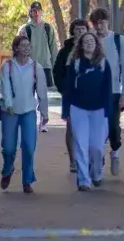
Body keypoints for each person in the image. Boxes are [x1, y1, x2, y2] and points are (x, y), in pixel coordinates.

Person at [0, 34, 49, 193]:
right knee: (8, 147)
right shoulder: (7, 66)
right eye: (23, 45)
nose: (26, 48)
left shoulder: (36, 67)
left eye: (28, 45)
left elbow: (42, 91)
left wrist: (44, 111)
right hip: (10, 111)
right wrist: (8, 104)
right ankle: (7, 169)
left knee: (28, 146)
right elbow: (5, 86)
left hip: (28, 111)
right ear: (16, 48)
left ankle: (27, 179)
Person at [63, 30, 112, 191]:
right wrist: (66, 111)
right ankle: (84, 180)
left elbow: (108, 89)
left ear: (97, 44)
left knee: (97, 147)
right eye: (85, 42)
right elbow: (68, 89)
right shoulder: (76, 64)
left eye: (92, 41)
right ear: (81, 46)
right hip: (78, 109)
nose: (89, 43)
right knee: (81, 145)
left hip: (99, 110)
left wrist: (108, 112)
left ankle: (96, 173)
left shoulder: (104, 64)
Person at [89, 9, 124, 177]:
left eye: (102, 22)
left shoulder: (118, 41)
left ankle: (115, 151)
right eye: (96, 23)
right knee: (96, 128)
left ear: (108, 22)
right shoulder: (89, 41)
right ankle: (98, 160)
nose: (99, 26)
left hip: (113, 91)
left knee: (113, 126)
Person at [53, 19, 89, 174]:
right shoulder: (65, 50)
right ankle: (73, 160)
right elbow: (57, 72)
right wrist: (63, 89)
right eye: (77, 29)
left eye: (83, 29)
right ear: (73, 31)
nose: (80, 31)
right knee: (72, 127)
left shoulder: (92, 47)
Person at [22, 2, 57, 131]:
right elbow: (19, 48)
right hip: (29, 66)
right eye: (33, 11)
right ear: (30, 12)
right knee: (29, 94)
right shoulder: (25, 29)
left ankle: (43, 120)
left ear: (41, 12)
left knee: (43, 94)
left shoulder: (48, 28)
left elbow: (53, 47)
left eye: (38, 10)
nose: (36, 13)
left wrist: (55, 64)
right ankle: (30, 120)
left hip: (45, 65)